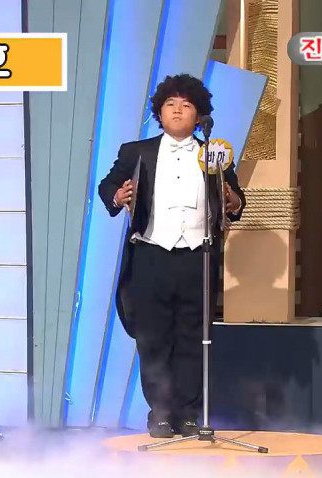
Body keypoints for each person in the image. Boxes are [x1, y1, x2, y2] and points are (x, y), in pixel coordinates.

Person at [98, 74, 245, 438]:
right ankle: (161, 413)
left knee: (194, 337)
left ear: (200, 115)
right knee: (153, 338)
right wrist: (118, 196)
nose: (178, 111)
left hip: (198, 256)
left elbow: (236, 199)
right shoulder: (135, 151)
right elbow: (107, 186)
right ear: (159, 113)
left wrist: (231, 199)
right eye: (170, 105)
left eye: (187, 105)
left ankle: (190, 413)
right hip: (151, 255)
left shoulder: (214, 154)